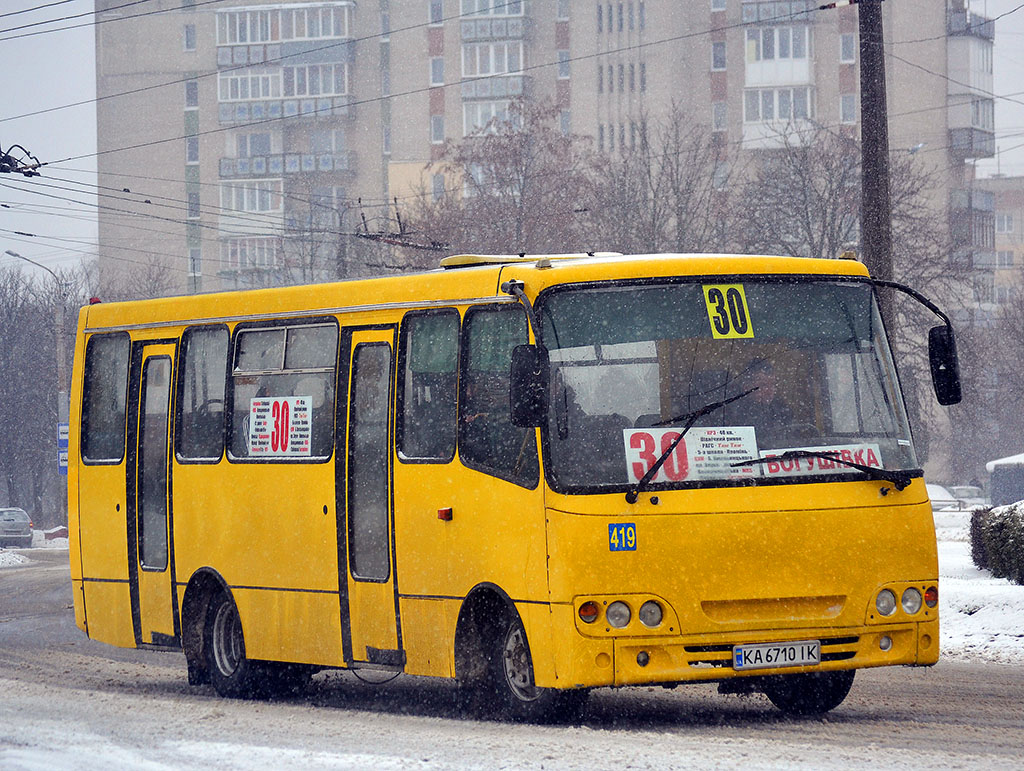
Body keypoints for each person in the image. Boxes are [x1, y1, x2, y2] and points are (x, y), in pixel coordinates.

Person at [727, 360, 795, 447]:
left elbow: (791, 440)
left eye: (773, 385)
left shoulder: (782, 410)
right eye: (763, 385)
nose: (770, 390)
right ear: (746, 386)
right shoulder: (733, 412)